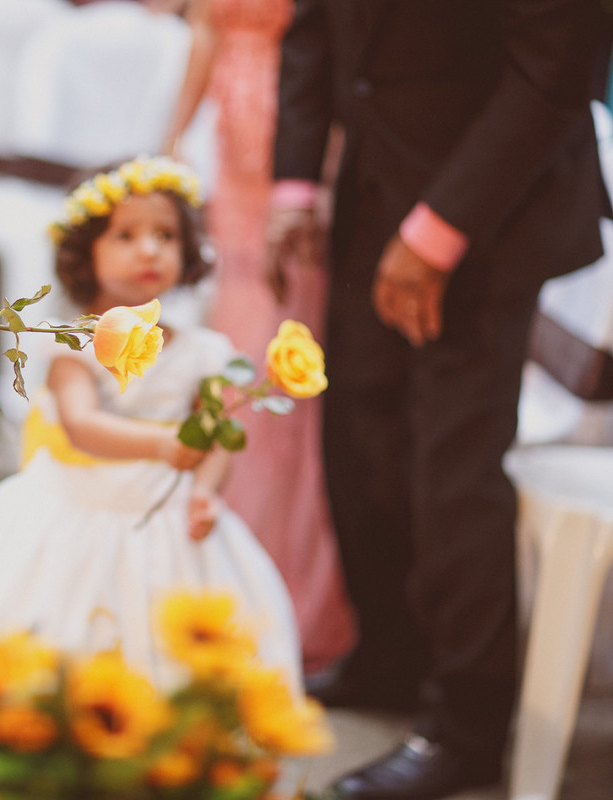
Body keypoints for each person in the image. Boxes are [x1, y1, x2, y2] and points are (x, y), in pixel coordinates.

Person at [269, 1, 608, 798]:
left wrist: (439, 232)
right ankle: (389, 656)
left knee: (451, 468)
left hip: (489, 205)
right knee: (357, 440)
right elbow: (314, 25)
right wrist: (294, 177)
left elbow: (557, 64)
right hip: (371, 187)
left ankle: (467, 726)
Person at [0, 156, 301, 690]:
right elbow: (81, 425)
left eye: (166, 236)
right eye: (125, 236)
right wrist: (161, 443)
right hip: (80, 508)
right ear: (85, 253)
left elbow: (217, 432)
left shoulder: (203, 351)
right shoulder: (72, 344)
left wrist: (205, 488)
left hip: (167, 515)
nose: (150, 249)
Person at [162, 0, 355, 674]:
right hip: (233, 163)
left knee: (291, 361)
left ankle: (299, 594)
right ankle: (215, 574)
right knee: (235, 347)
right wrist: (173, 136)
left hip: (302, 147)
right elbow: (205, 32)